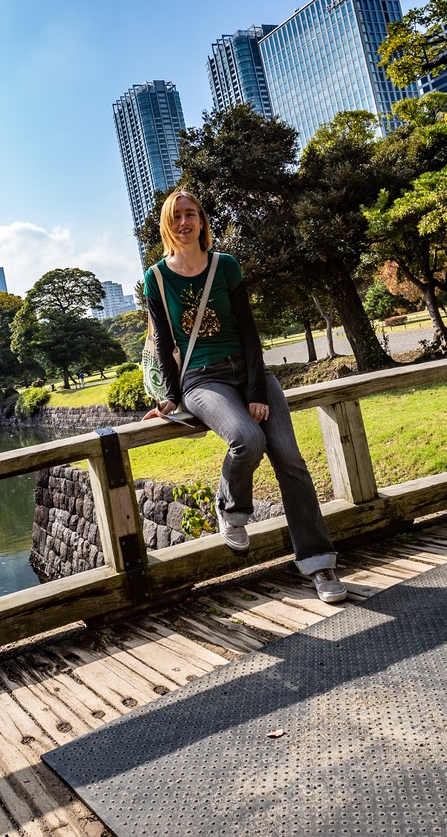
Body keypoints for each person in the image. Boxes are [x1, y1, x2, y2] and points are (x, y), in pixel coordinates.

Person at [141, 189, 347, 603]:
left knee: (290, 459)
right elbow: (163, 343)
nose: (185, 222)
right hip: (202, 381)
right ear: (168, 224)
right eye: (176, 216)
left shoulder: (226, 266)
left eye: (191, 214)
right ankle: (231, 508)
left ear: (202, 220)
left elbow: (249, 330)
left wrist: (256, 390)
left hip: (250, 372)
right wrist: (170, 396)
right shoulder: (157, 278)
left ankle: (319, 565)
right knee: (247, 439)